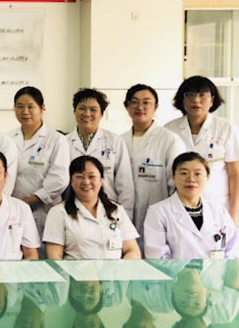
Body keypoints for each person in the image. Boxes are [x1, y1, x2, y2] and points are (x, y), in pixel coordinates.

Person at [165, 76, 239, 219]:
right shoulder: (169, 130)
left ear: (212, 100)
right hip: (179, 206)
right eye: (189, 95)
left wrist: (233, 214)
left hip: (217, 205)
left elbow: (235, 174)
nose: (196, 100)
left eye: (202, 95)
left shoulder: (226, 128)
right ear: (182, 100)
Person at [144, 152, 238, 259]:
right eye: (184, 173)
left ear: (207, 178)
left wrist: (223, 269)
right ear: (173, 178)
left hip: (217, 270)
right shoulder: (158, 212)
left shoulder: (218, 211)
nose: (191, 179)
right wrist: (187, 270)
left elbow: (233, 251)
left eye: (197, 174)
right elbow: (157, 256)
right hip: (176, 270)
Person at [44, 156, 140, 259]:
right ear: (71, 181)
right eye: (80, 176)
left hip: (114, 269)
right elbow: (55, 258)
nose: (86, 182)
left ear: (101, 181)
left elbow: (132, 251)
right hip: (76, 269)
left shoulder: (116, 210)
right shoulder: (58, 212)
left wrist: (120, 269)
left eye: (92, 176)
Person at [121, 84, 185, 235]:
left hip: (159, 216)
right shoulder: (119, 141)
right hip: (123, 215)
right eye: (134, 102)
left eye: (146, 102)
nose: (140, 107)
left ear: (155, 107)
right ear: (127, 106)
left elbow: (177, 184)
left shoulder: (169, 140)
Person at [9, 86, 70, 236]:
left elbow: (60, 179)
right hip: (13, 209)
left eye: (31, 107)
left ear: (42, 108)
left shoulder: (56, 139)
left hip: (44, 209)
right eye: (20, 106)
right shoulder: (8, 138)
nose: (25, 112)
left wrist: (34, 199)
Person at [66, 88, 135, 218]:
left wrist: (123, 218)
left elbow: (125, 185)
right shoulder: (64, 142)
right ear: (74, 111)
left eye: (93, 109)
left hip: (108, 211)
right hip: (73, 211)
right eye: (82, 108)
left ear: (101, 114)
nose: (87, 113)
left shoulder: (115, 141)